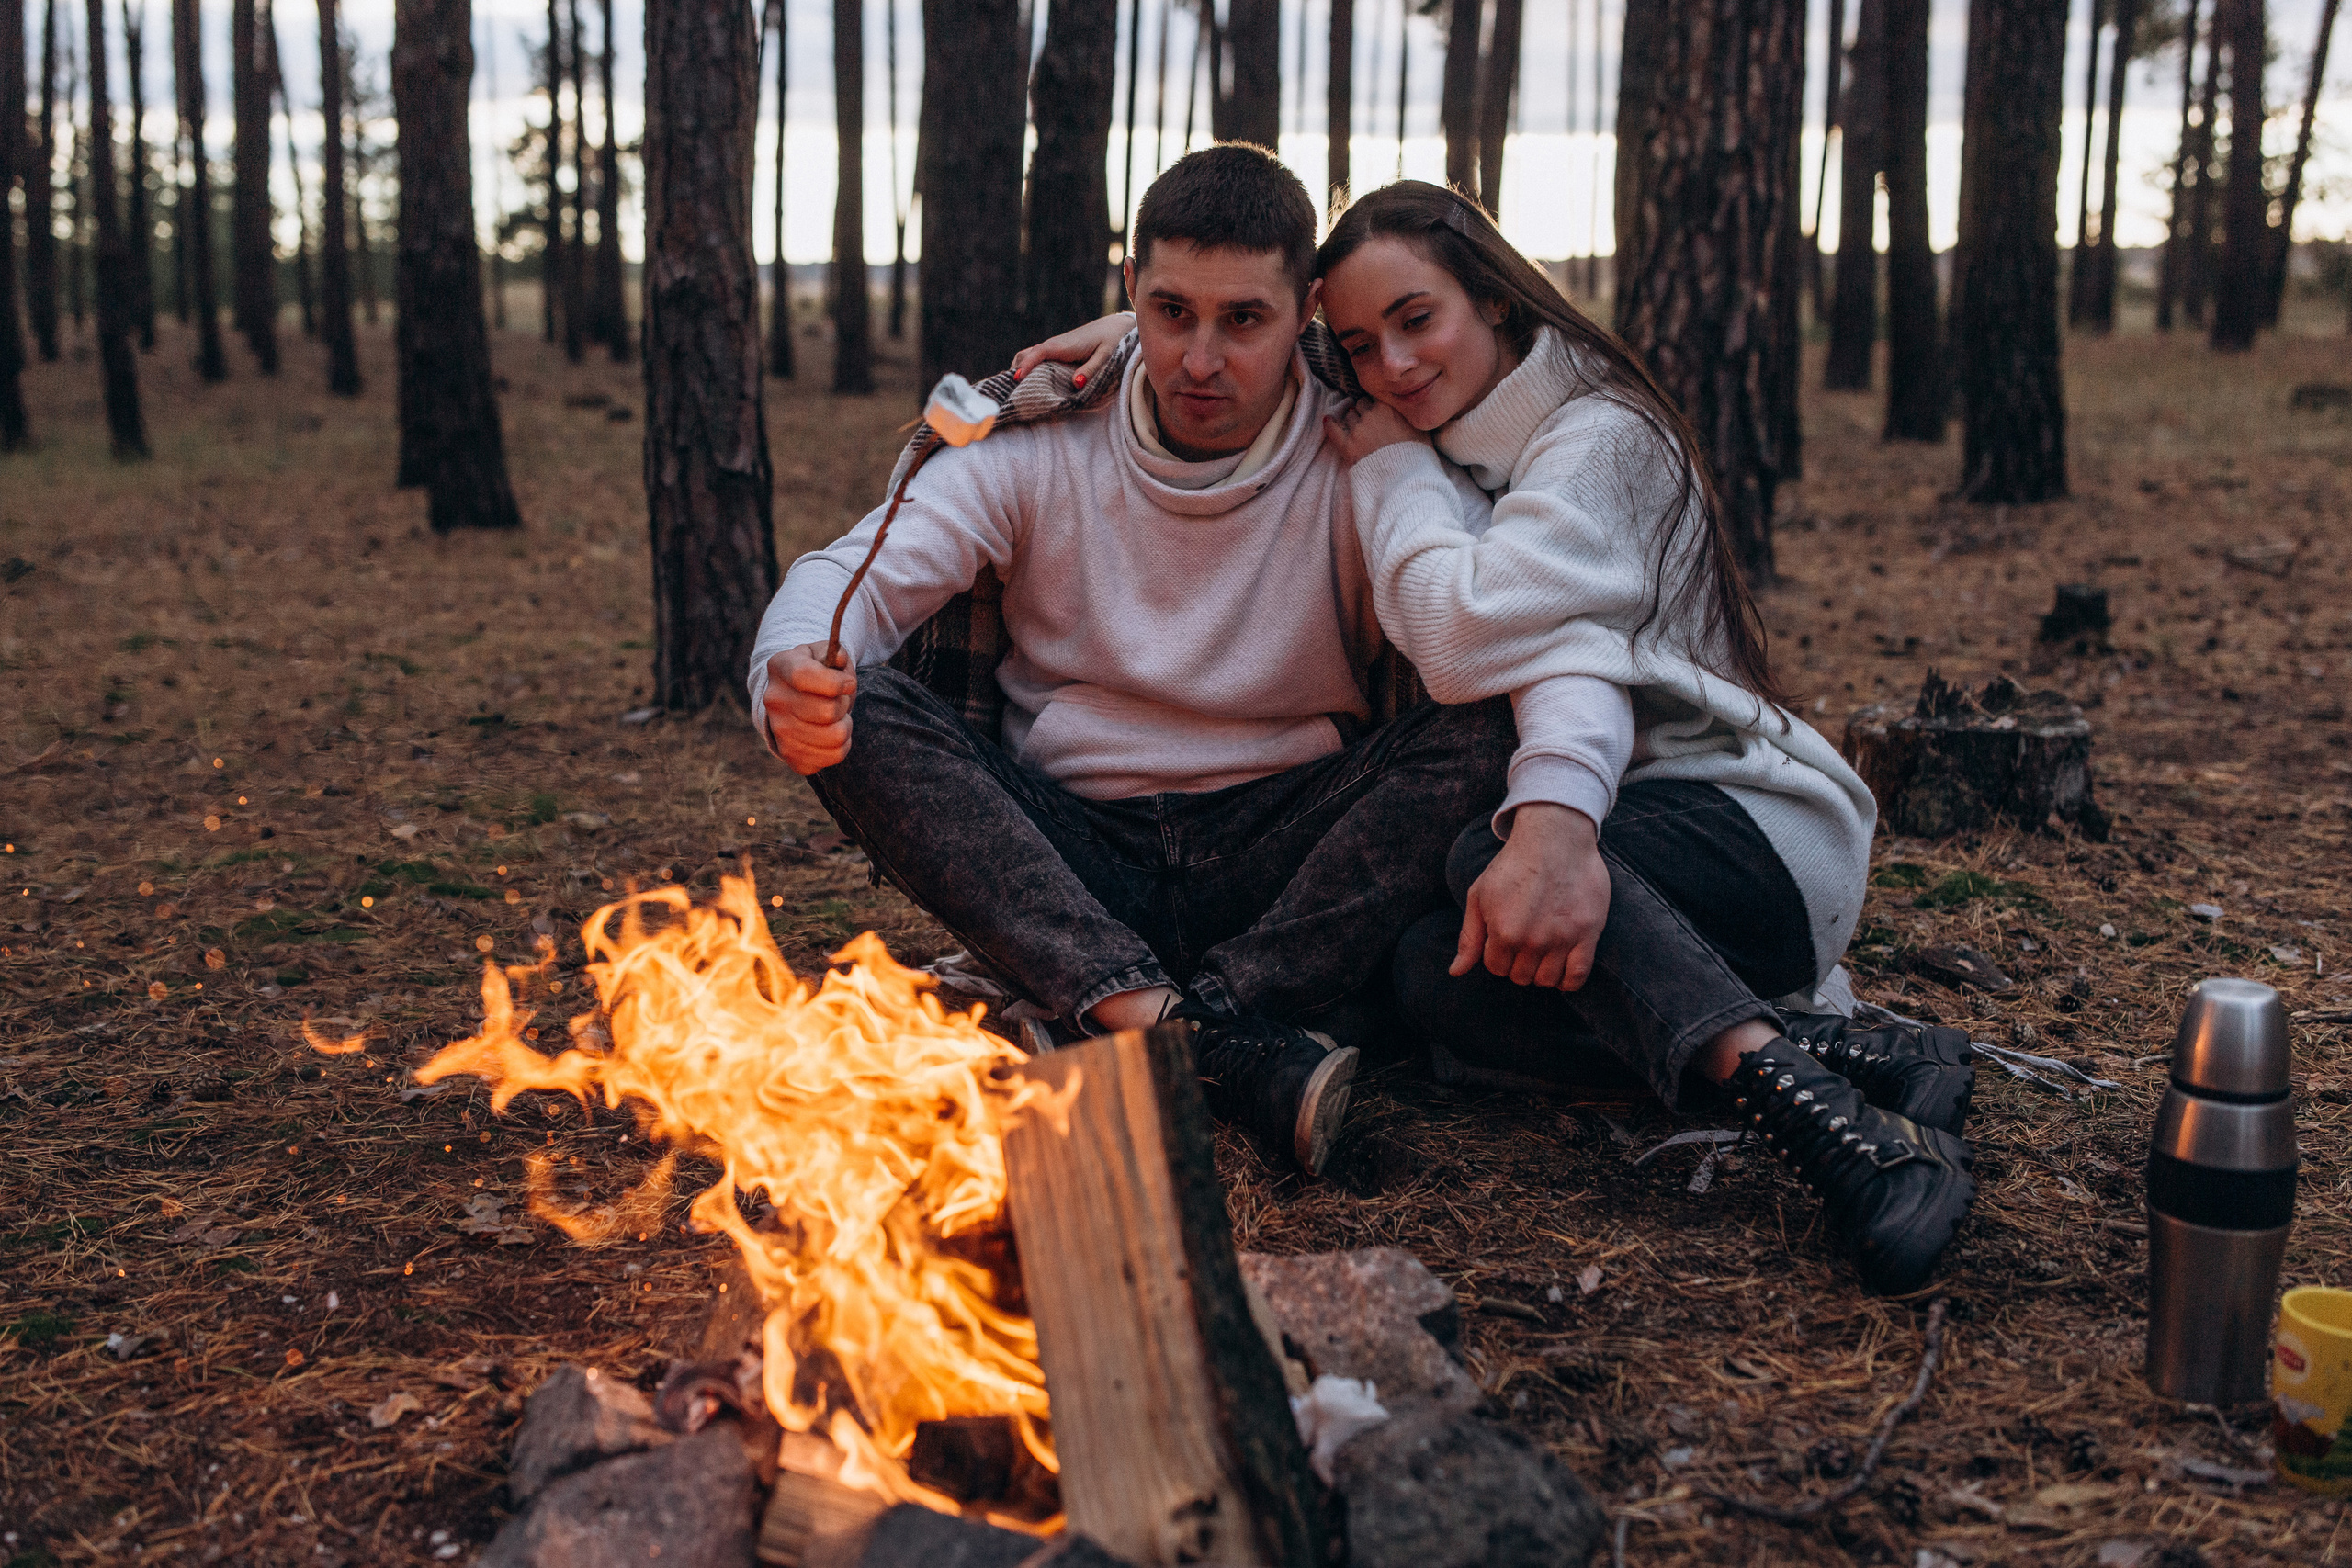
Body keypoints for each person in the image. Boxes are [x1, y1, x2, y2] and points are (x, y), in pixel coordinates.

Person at [1016, 182, 1977, 1293]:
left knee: (1491, 853)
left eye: (1417, 320)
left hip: (1752, 833)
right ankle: (1872, 1056)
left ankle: (1837, 1137)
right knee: (1427, 976)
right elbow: (1266, 340)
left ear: (1498, 299)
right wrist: (1131, 332)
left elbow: (1457, 634)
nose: (1393, 368)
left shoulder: (1596, 440)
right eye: (1362, 345)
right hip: (1623, 839)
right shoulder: (1461, 427)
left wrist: (1387, 467)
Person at [748, 148, 1519, 1179]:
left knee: (1487, 717)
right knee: (865, 705)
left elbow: (1494, 628)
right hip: (1067, 856)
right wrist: (787, 676)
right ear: (1129, 294)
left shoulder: (1369, 453)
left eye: (1243, 320)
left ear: (1308, 311)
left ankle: (1138, 1016)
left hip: (1286, 854)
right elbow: (852, 576)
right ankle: (1208, 1039)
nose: (1199, 359)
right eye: (1168, 313)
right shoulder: (1037, 439)